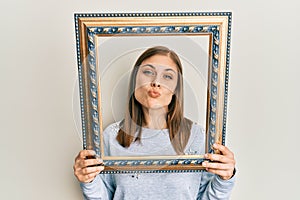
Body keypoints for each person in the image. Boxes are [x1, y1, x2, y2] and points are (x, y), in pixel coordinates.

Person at [74, 46, 236, 200]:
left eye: (167, 76)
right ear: (135, 80)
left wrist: (225, 178)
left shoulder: (198, 137)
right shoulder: (111, 136)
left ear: (176, 89)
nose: (156, 82)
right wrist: (88, 180)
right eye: (148, 72)